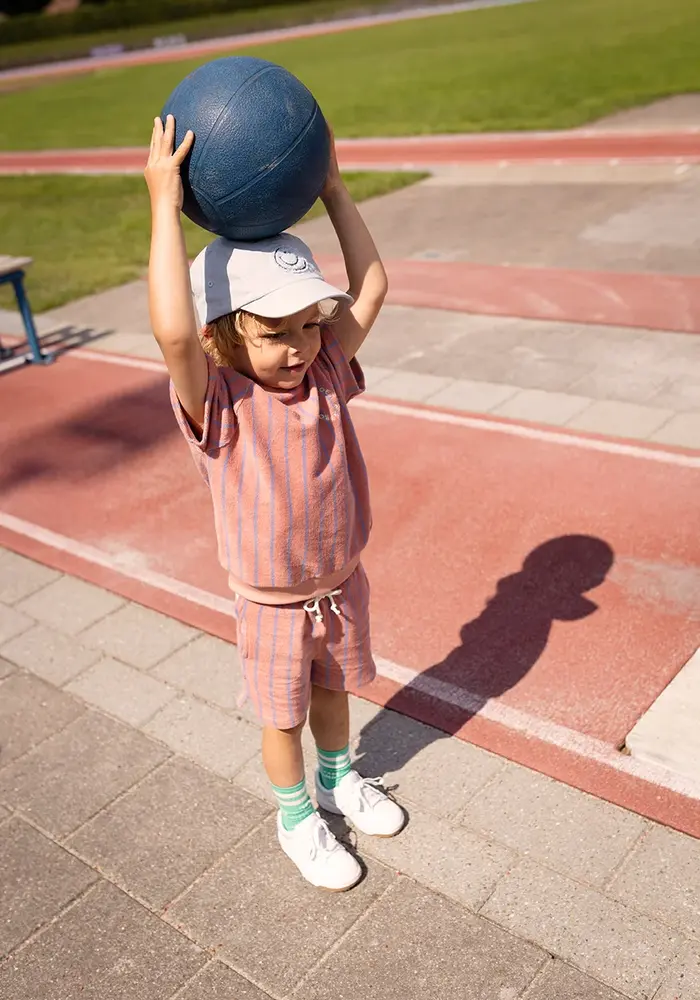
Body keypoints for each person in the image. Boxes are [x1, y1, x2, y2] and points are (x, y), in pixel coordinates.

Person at [145, 114, 404, 892]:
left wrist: (331, 188)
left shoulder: (325, 371)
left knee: (333, 698)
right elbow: (173, 336)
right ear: (226, 336)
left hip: (340, 585)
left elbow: (375, 285)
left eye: (307, 327)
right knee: (281, 719)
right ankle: (296, 819)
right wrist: (164, 202)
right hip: (270, 607)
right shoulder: (216, 404)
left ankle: (339, 779)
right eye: (274, 335)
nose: (299, 348)